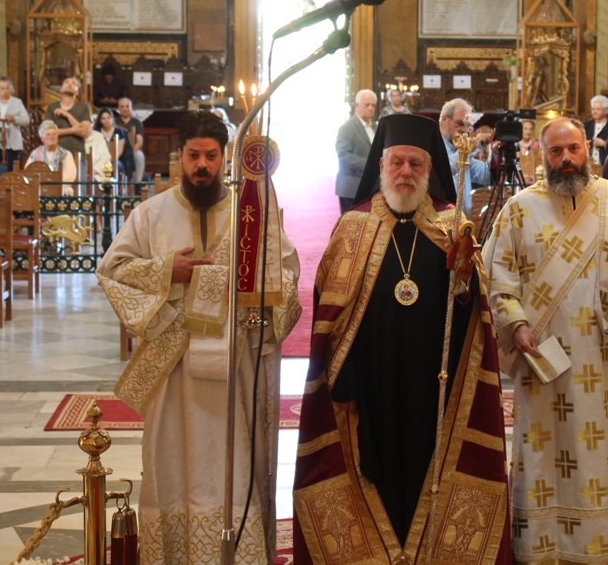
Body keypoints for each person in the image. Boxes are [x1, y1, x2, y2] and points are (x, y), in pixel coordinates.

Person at [293, 114, 510, 565]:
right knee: (373, 466)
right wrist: (343, 375)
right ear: (381, 166)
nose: (405, 172)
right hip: (369, 382)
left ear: (430, 170)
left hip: (435, 383)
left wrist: (465, 276)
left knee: (428, 463)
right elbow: (331, 314)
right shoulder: (353, 226)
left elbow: (471, 312)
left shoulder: (452, 225)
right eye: (396, 162)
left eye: (415, 163)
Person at [97, 111, 302, 565]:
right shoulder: (151, 214)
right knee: (172, 460)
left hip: (236, 365)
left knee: (233, 461)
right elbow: (112, 271)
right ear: (179, 155)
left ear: (225, 157)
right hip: (174, 372)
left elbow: (286, 275)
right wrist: (167, 270)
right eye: (194, 156)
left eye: (211, 156)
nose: (202, 166)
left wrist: (253, 295)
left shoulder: (252, 215)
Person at [483, 117, 608, 565]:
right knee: (544, 448)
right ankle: (544, 546)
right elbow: (498, 276)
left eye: (573, 148)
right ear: (541, 154)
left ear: (587, 150)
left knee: (606, 445)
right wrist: (517, 324)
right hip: (544, 353)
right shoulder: (519, 208)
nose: (566, 159)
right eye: (556, 151)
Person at [440, 98, 490, 217]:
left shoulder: (462, 150)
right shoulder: (433, 145)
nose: (464, 130)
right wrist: (472, 147)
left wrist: (496, 153)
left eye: (468, 126)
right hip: (441, 220)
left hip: (464, 219)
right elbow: (445, 169)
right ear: (445, 119)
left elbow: (485, 176)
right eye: (460, 124)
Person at [336, 89, 377, 212]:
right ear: (357, 105)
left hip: (371, 189)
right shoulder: (347, 128)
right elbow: (343, 156)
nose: (370, 108)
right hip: (351, 187)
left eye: (373, 105)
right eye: (367, 105)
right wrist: (370, 165)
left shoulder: (376, 128)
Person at [0, 76, 30, 169]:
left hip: (13, 143)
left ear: (11, 88)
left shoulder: (17, 102)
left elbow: (26, 120)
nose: (5, 91)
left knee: (12, 169)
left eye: (7, 88)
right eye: (2, 88)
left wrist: (14, 118)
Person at [26, 120, 77, 195]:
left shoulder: (66, 154)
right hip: (39, 189)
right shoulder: (35, 154)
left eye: (54, 134)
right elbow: (28, 173)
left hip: (61, 188)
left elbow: (70, 175)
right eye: (48, 134)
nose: (51, 137)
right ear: (42, 138)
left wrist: (52, 187)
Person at [46, 76, 93, 157]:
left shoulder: (83, 107)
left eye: (73, 83)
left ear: (77, 92)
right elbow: (48, 132)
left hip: (78, 154)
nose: (70, 84)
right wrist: (73, 130)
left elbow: (85, 133)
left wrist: (67, 115)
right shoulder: (52, 107)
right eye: (66, 82)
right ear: (61, 89)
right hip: (56, 153)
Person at [95, 107, 134, 178]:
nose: (106, 120)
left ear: (112, 119)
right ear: (100, 120)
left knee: (116, 165)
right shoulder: (97, 133)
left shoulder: (119, 132)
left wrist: (109, 160)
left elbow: (119, 152)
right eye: (103, 118)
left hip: (116, 160)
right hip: (100, 160)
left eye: (108, 118)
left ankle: (114, 185)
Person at [584, 94, 608, 166]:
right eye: (593, 109)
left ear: (606, 111)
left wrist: (604, 144)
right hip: (588, 165)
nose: (594, 112)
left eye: (598, 109)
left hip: (606, 165)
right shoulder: (586, 125)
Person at [116, 97, 146, 182]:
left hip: (133, 150)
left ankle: (138, 183)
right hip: (118, 151)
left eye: (127, 106)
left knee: (140, 156)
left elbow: (139, 141)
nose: (125, 109)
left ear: (131, 108)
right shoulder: (114, 122)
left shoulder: (137, 122)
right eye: (122, 107)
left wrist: (130, 153)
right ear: (118, 109)